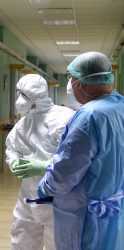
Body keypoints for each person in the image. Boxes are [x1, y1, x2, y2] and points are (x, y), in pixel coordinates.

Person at [37, 51, 124, 250]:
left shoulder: (89, 116)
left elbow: (66, 171)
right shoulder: (120, 106)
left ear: (81, 82)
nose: (70, 84)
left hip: (86, 215)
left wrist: (44, 187)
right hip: (116, 210)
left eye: (71, 78)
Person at [5, 74, 74, 250]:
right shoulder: (24, 123)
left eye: (25, 95)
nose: (20, 100)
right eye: (19, 93)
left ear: (38, 96)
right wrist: (14, 163)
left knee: (58, 244)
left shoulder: (63, 118)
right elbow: (11, 148)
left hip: (57, 199)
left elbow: (73, 159)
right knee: (21, 242)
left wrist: (44, 167)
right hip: (28, 197)